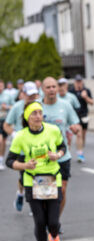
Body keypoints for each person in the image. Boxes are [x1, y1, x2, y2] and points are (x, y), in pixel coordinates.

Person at [6, 101, 66, 241]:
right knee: (40, 221)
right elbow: (9, 161)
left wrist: (57, 154)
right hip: (32, 181)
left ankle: (54, 238)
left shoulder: (53, 130)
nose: (38, 116)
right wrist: (24, 166)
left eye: (40, 112)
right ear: (27, 117)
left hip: (53, 179)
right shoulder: (21, 136)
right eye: (34, 113)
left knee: (53, 222)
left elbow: (62, 146)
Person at [41, 77, 81, 228]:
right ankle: (46, 218)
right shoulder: (37, 107)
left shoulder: (65, 105)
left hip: (62, 155)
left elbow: (74, 122)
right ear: (43, 90)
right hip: (43, 157)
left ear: (57, 88)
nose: (51, 89)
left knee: (62, 190)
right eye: (48, 87)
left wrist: (75, 128)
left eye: (54, 87)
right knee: (46, 192)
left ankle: (55, 221)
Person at [4, 81, 40, 213]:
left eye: (34, 94)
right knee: (24, 177)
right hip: (22, 149)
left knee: (38, 174)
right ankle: (20, 194)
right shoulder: (17, 107)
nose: (32, 97)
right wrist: (14, 134)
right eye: (29, 95)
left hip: (38, 147)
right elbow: (6, 125)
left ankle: (35, 204)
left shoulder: (40, 107)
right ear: (23, 94)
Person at [69, 74, 93, 163]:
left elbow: (92, 102)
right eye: (77, 81)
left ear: (82, 81)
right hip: (74, 116)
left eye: (80, 81)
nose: (78, 83)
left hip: (84, 115)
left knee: (83, 134)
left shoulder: (86, 90)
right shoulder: (71, 91)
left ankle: (81, 147)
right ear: (75, 82)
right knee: (78, 134)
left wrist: (85, 97)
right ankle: (79, 153)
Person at [58, 78, 82, 148]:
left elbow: (77, 108)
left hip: (69, 124)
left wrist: (74, 121)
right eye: (60, 85)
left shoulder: (71, 96)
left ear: (66, 85)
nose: (61, 86)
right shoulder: (55, 97)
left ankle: (74, 154)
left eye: (63, 84)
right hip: (59, 123)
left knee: (68, 142)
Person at [0, 79, 14, 170]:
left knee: (4, 141)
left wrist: (7, 107)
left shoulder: (7, 95)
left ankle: (1, 160)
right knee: (0, 140)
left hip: (5, 120)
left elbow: (13, 106)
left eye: (1, 86)